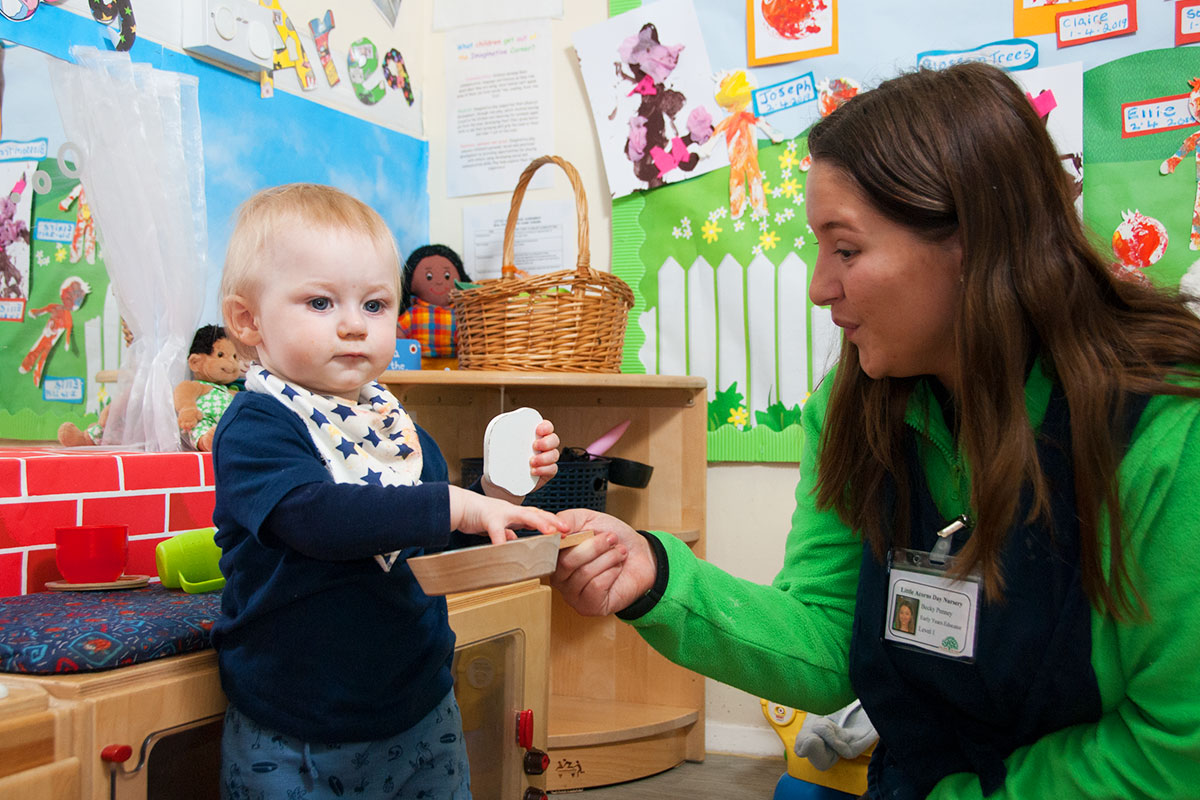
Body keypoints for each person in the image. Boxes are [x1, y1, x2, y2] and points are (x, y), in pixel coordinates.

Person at [550, 62, 1200, 800]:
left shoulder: (1166, 430)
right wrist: (658, 580)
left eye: (847, 249)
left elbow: (1175, 753)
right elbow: (831, 646)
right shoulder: (856, 406)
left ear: (973, 245)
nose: (820, 286)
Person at [210, 183, 568, 800]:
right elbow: (315, 518)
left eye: (374, 305)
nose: (353, 325)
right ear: (247, 320)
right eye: (320, 303)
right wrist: (455, 503)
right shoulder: (257, 425)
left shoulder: (396, 428)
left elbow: (423, 530)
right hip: (298, 721)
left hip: (420, 701)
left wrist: (494, 496)